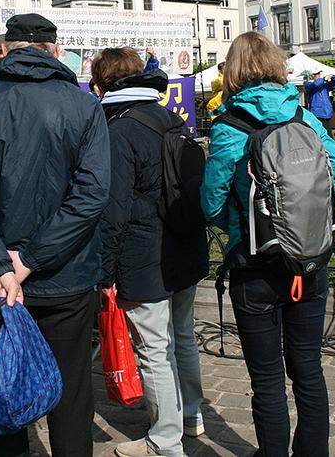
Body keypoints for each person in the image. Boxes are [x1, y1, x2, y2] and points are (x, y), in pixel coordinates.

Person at [0, 13, 110, 456]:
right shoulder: (83, 105)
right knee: (71, 399)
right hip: (57, 277)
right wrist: (24, 261)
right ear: (55, 51)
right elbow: (90, 196)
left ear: (6, 51)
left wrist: (5, 263)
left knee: (4, 392)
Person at [201, 32, 335, 457]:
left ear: (233, 72)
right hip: (309, 260)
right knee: (308, 369)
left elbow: (211, 202)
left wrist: (240, 219)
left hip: (255, 264)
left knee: (266, 379)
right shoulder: (303, 117)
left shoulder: (230, 126)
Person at [91, 49, 207, 457]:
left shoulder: (119, 129)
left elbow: (113, 209)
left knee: (156, 348)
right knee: (182, 337)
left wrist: (104, 272)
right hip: (185, 244)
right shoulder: (168, 116)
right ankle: (191, 415)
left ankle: (165, 438)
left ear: (101, 84)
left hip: (145, 255)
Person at [303, 69, 335, 136]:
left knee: (327, 135)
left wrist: (333, 77)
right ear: (311, 76)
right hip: (317, 113)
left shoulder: (324, 84)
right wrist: (324, 78)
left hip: (326, 113)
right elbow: (316, 84)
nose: (318, 75)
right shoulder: (308, 84)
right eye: (315, 74)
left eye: (319, 73)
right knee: (320, 135)